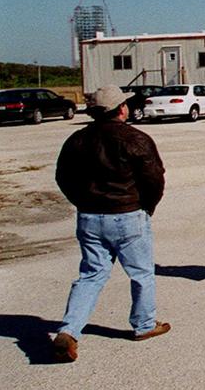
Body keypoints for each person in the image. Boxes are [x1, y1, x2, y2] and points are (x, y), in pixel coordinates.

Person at [50, 85, 169, 363]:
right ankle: (144, 325)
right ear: (122, 109)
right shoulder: (136, 138)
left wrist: (82, 202)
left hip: (89, 217)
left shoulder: (77, 139)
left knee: (91, 275)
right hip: (128, 215)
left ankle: (69, 330)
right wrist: (147, 206)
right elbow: (154, 178)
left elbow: (63, 177)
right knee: (141, 273)